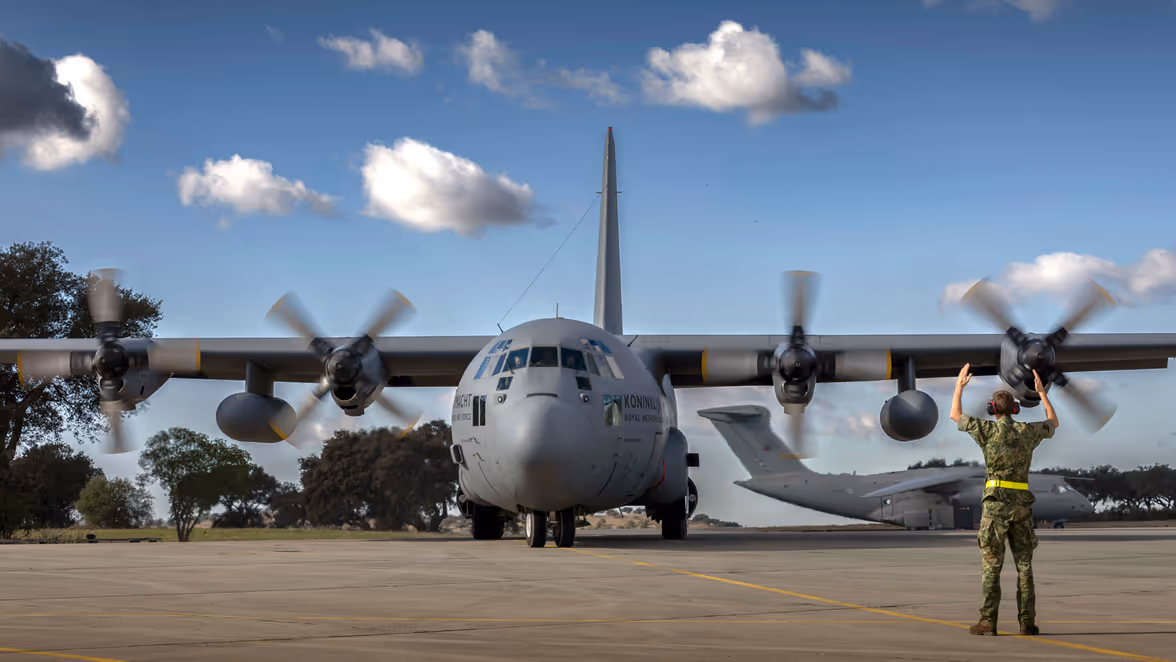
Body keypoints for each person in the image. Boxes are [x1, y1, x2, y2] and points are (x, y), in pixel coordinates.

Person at [949, 363, 1059, 636]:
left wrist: (958, 387)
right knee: (1025, 566)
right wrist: (1042, 394)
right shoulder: (1027, 432)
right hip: (1021, 505)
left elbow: (955, 415)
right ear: (1015, 409)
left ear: (992, 409)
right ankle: (1027, 623)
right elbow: (1053, 423)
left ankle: (988, 621)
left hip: (995, 505)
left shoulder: (986, 430)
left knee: (991, 565)